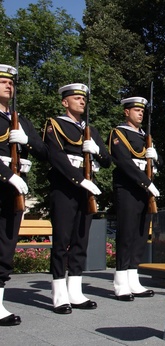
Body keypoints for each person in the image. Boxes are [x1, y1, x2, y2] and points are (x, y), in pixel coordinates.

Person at [43, 83, 111, 314]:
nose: (82, 101)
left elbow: (108, 160)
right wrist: (80, 180)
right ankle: (59, 293)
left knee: (81, 240)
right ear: (65, 102)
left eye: (83, 99)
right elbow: (56, 157)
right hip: (65, 189)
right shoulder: (55, 125)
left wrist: (96, 151)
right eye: (76, 98)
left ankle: (75, 289)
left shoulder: (89, 130)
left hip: (86, 190)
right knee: (62, 241)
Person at [0, 64, 48, 326]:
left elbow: (44, 152)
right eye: (2, 81)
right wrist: (8, 176)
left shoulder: (20, 121)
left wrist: (25, 140)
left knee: (6, 246)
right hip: (7, 182)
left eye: (11, 83)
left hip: (14, 191)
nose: (9, 85)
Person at [107, 97, 161, 301]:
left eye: (142, 111)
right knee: (127, 232)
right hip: (128, 187)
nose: (140, 113)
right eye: (136, 110)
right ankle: (120, 281)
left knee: (140, 233)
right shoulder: (118, 133)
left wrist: (155, 157)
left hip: (145, 190)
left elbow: (157, 163)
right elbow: (124, 162)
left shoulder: (146, 137)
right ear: (126, 112)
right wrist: (146, 183)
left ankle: (133, 277)